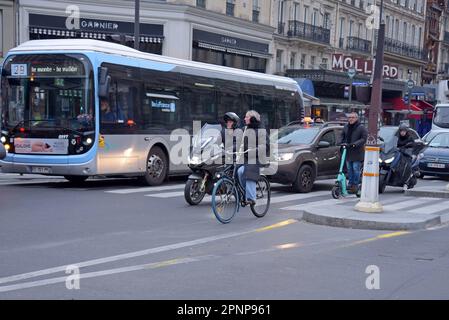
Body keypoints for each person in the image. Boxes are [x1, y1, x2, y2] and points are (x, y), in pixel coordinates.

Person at [237, 110, 269, 206]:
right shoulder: (244, 129)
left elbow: (265, 146)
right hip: (245, 158)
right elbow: (237, 142)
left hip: (257, 158)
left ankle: (251, 198)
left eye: (247, 117)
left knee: (247, 172)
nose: (244, 118)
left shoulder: (261, 131)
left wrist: (254, 150)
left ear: (252, 118)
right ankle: (243, 191)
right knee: (237, 171)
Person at [341, 112, 368, 194]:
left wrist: (355, 144)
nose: (351, 119)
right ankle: (350, 184)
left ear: (357, 118)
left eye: (352, 117)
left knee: (356, 169)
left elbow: (363, 139)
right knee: (349, 169)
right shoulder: (346, 127)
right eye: (349, 117)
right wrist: (341, 142)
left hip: (357, 152)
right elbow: (342, 136)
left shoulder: (361, 127)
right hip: (348, 151)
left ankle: (355, 184)